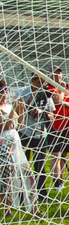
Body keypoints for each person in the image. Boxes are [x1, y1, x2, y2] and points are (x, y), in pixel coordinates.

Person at [0, 83, 39, 216]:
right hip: (3, 144)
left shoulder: (10, 106)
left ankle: (34, 207)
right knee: (7, 176)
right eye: (2, 91)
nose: (4, 93)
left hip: (15, 142)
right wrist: (12, 113)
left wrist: (20, 109)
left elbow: (19, 125)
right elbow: (4, 127)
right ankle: (7, 208)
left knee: (27, 172)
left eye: (5, 90)